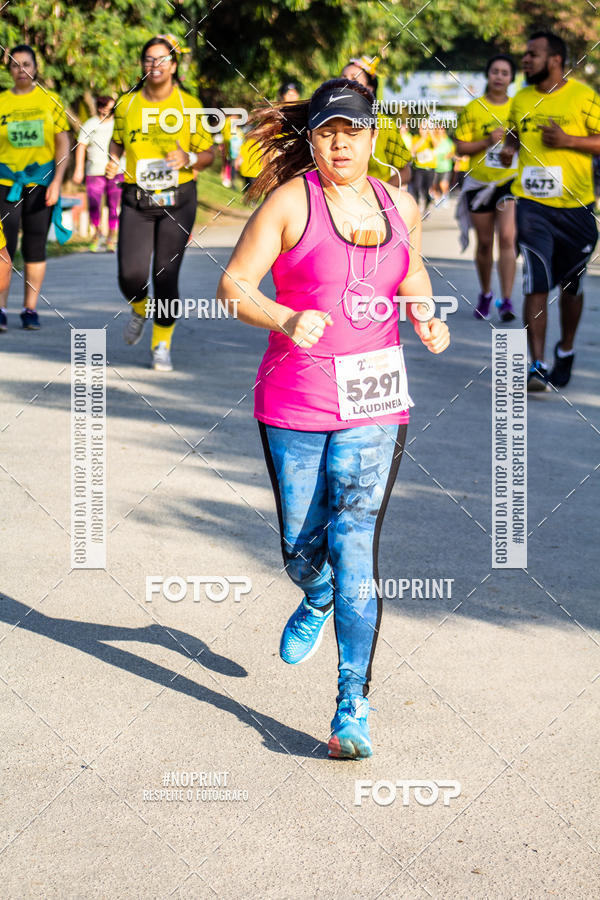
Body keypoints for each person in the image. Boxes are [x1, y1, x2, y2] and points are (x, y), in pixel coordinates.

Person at [217, 79, 450, 759]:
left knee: (354, 545)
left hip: (376, 398)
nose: (340, 142)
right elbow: (233, 285)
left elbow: (412, 277)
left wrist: (425, 315)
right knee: (301, 547)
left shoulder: (398, 201)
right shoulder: (290, 203)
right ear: (311, 139)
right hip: (294, 398)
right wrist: (286, 316)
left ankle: (352, 706)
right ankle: (312, 592)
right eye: (326, 131)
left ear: (373, 136)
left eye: (352, 130)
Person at [106, 35, 214, 372]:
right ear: (143, 65)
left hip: (177, 200)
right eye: (150, 59)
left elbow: (210, 154)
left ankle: (161, 344)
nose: (156, 65)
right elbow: (117, 143)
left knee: (165, 275)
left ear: (174, 65)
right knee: (130, 275)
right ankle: (140, 307)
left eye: (163, 59)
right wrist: (113, 162)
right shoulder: (127, 105)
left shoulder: (190, 104)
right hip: (136, 198)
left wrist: (189, 157)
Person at [500, 32, 600, 390]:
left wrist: (569, 141)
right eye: (525, 54)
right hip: (532, 206)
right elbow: (515, 134)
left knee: (571, 288)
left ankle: (567, 349)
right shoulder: (521, 98)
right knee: (537, 280)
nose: (525, 60)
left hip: (576, 208)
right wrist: (510, 147)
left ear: (555, 59)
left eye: (532, 54)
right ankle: (538, 364)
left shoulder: (584, 97)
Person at [0, 44, 70, 331]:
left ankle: (30, 309)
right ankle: (0, 308)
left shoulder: (50, 100)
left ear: (36, 67)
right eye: (15, 64)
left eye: (27, 64)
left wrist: (57, 181)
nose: (21, 69)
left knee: (34, 246)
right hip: (5, 183)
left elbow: (63, 143)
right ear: (9, 69)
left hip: (41, 184)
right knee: (5, 248)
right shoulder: (2, 101)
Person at [454, 54, 518, 322]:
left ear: (511, 78)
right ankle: (486, 293)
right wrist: (486, 141)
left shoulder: (519, 108)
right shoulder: (473, 109)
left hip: (509, 182)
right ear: (488, 75)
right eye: (495, 71)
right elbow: (460, 147)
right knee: (484, 243)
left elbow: (527, 143)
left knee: (506, 237)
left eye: (505, 72)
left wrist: (511, 147)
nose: (499, 76)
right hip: (479, 183)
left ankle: (506, 300)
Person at [341, 56, 412, 186]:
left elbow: (405, 172)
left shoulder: (384, 124)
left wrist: (380, 195)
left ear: (369, 88)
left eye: (354, 79)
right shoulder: (324, 120)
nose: (346, 83)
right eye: (343, 78)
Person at [73, 95, 122, 252]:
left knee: (114, 205)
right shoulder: (90, 124)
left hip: (116, 171)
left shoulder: (118, 124)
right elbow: (81, 146)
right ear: (100, 108)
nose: (110, 111)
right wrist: (79, 169)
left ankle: (111, 237)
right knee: (94, 204)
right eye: (107, 108)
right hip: (94, 171)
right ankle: (97, 233)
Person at [409, 122, 436, 209]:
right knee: (416, 187)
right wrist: (423, 138)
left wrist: (431, 134)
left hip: (430, 168)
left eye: (424, 128)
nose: (422, 130)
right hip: (418, 167)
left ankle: (427, 204)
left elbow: (436, 145)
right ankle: (416, 205)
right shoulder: (416, 138)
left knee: (427, 189)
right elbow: (413, 150)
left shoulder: (431, 138)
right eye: (421, 128)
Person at [431, 126, 455, 202]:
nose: (440, 131)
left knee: (443, 184)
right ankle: (437, 199)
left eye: (442, 129)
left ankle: (445, 198)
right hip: (435, 165)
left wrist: (449, 155)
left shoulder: (448, 141)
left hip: (446, 166)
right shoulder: (434, 139)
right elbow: (434, 145)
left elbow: (453, 152)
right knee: (434, 185)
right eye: (438, 129)